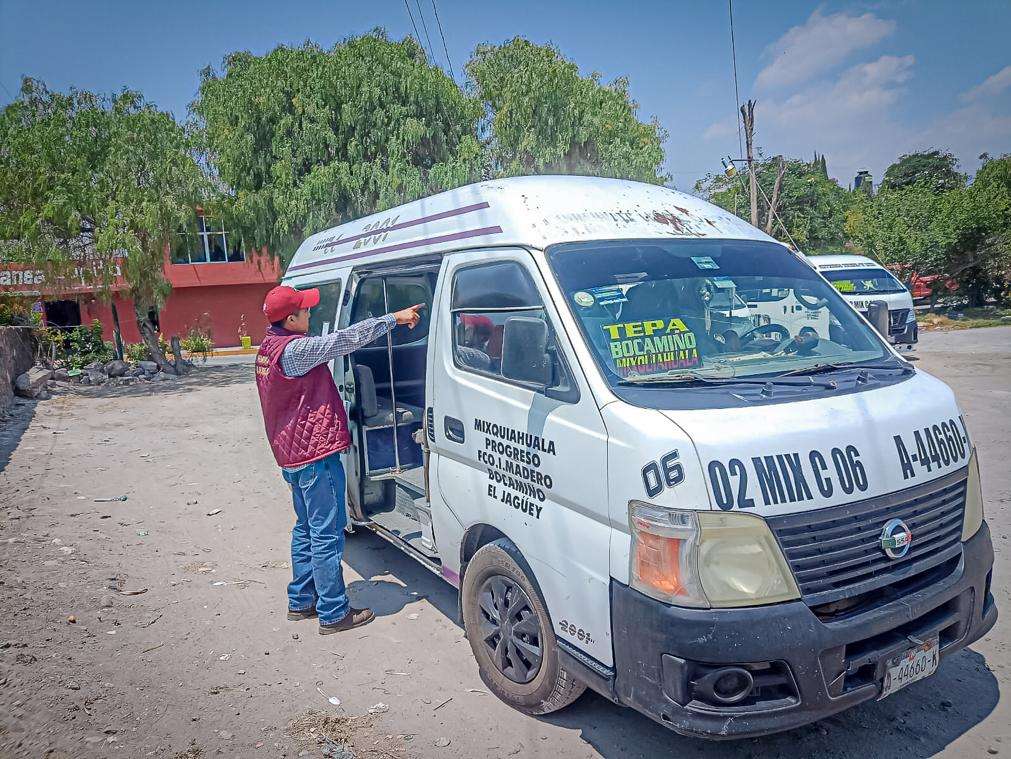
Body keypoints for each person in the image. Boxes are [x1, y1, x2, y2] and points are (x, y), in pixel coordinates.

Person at [255, 285, 423, 634]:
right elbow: (345, 340)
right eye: (304, 311)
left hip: (291, 454)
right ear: (290, 319)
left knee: (305, 528)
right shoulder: (296, 350)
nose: (310, 314)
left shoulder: (268, 348)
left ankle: (301, 600)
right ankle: (333, 611)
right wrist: (394, 318)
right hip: (314, 455)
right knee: (327, 533)